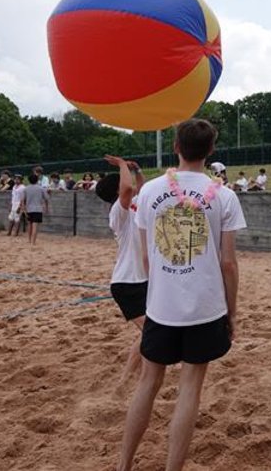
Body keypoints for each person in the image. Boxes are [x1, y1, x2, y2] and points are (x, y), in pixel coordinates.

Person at [117, 118, 246, 471]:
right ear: (211, 151)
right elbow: (229, 263)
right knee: (190, 388)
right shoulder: (225, 195)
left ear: (176, 147)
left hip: (161, 306)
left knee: (148, 382)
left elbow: (146, 257)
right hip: (205, 307)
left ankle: (123, 465)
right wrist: (232, 313)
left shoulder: (149, 193)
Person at [97, 155, 148, 385]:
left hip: (143, 281)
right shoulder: (118, 211)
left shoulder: (133, 204)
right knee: (152, 331)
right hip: (127, 284)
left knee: (152, 331)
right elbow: (127, 188)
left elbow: (141, 190)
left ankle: (133, 375)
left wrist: (136, 171)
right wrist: (120, 165)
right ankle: (125, 379)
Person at [20, 173, 49, 245]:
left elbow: (22, 200)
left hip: (29, 209)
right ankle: (33, 242)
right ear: (37, 180)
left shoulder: (26, 189)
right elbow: (46, 198)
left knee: (29, 225)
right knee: (35, 226)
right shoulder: (41, 188)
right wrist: (46, 207)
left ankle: (29, 240)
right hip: (38, 209)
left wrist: (23, 209)